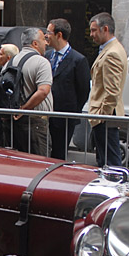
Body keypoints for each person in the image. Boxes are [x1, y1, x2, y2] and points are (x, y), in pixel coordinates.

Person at [45, 18, 90, 160]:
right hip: (46, 114)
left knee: (59, 154)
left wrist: (73, 112)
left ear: (59, 35)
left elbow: (83, 90)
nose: (46, 36)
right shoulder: (47, 56)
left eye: (48, 32)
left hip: (64, 116)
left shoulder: (78, 60)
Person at [87, 13, 126, 167]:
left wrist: (102, 115)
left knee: (109, 161)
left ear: (105, 29)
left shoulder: (112, 53)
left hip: (106, 117)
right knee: (106, 160)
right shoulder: (112, 49)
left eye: (94, 30)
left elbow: (112, 92)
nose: (91, 35)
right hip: (107, 116)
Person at [9, 28, 53, 156]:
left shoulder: (11, 62)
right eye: (43, 39)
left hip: (15, 123)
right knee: (39, 163)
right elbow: (44, 91)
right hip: (35, 123)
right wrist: (24, 109)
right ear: (35, 43)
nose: (46, 43)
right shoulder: (42, 62)